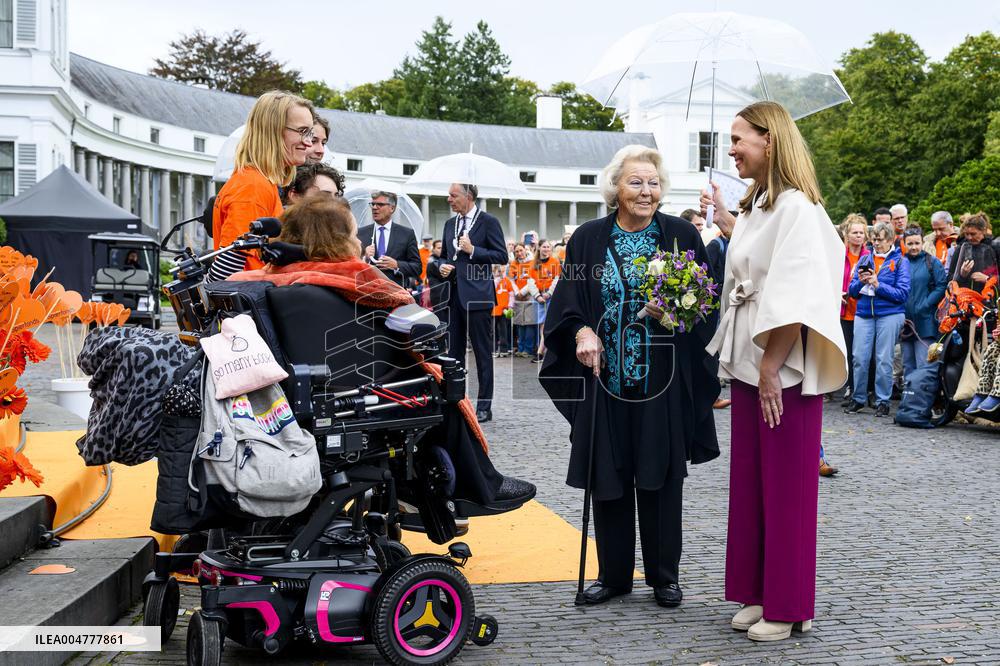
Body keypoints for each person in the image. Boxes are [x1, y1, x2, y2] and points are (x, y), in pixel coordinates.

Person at [228, 194, 535, 508]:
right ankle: (479, 484)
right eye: (352, 234)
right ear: (335, 239)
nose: (358, 242)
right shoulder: (352, 275)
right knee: (441, 389)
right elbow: (413, 315)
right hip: (357, 386)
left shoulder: (261, 279)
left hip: (294, 389)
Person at [540, 144, 720, 610]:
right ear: (615, 188)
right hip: (605, 379)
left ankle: (664, 576)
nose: (646, 191)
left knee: (661, 477)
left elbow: (706, 302)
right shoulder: (588, 239)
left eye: (653, 183)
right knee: (609, 473)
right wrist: (582, 331)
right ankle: (614, 575)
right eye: (636, 182)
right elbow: (568, 301)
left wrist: (677, 314)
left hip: (663, 381)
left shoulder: (681, 234)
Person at [700, 101, 847, 642]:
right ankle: (758, 591)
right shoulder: (762, 204)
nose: (731, 149)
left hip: (781, 366)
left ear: (770, 140)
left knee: (787, 489)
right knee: (753, 483)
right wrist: (725, 217)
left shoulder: (799, 208)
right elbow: (756, 260)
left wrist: (769, 366)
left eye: (739, 138)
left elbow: (796, 291)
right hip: (751, 359)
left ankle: (788, 605)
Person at [209, 91, 314, 281]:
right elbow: (227, 273)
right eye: (302, 131)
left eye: (310, 133)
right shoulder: (253, 186)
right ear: (273, 131)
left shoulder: (259, 182)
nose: (308, 142)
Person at [439, 183, 508, 423]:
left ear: (468, 196)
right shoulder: (450, 224)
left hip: (478, 297)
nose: (449, 199)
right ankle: (456, 402)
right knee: (454, 354)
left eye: (453, 195)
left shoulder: (488, 222)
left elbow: (501, 256)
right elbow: (443, 257)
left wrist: (473, 250)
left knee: (482, 354)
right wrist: (442, 266)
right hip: (453, 296)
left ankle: (484, 406)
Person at [845, 221, 910, 417]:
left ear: (890, 240)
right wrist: (861, 282)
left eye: (880, 240)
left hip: (890, 313)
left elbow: (902, 294)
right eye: (873, 239)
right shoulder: (865, 259)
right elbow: (852, 291)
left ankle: (883, 401)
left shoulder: (901, 261)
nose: (875, 243)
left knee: (883, 359)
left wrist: (878, 284)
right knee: (859, 357)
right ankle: (858, 398)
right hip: (864, 313)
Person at [901, 226, 947, 378]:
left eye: (917, 243)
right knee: (907, 363)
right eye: (910, 243)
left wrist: (926, 303)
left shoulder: (932, 262)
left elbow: (941, 286)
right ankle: (909, 392)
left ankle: (924, 393)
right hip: (905, 322)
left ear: (922, 242)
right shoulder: (900, 263)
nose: (914, 247)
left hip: (926, 321)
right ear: (904, 243)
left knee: (924, 363)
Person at [357, 191, 422, 288]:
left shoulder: (406, 234)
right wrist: (364, 257)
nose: (374, 207)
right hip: (367, 291)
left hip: (396, 292)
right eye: (373, 204)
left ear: (392, 208)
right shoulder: (361, 233)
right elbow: (351, 265)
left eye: (380, 204)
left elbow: (417, 267)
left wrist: (397, 265)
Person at [839, 214, 870, 407]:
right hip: (844, 311)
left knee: (864, 354)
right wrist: (836, 292)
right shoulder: (838, 254)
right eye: (855, 232)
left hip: (864, 310)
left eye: (861, 232)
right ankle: (851, 387)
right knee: (849, 352)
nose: (858, 236)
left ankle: (867, 390)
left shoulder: (869, 255)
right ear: (847, 234)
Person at [529, 239, 561, 363]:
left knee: (547, 324)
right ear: (539, 248)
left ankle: (540, 352)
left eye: (548, 247)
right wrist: (537, 295)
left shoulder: (554, 262)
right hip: (539, 296)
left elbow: (557, 279)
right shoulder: (533, 263)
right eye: (544, 247)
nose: (546, 249)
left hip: (550, 295)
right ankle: (543, 351)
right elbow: (530, 281)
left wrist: (549, 293)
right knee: (541, 324)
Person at [946, 212, 997, 288]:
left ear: (983, 231)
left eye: (973, 234)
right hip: (966, 294)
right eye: (966, 234)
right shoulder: (961, 248)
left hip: (989, 293)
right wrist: (962, 275)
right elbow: (950, 279)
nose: (969, 238)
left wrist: (987, 279)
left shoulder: (994, 247)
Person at [508, 243, 535, 358]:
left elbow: (533, 278)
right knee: (520, 323)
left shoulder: (533, 262)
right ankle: (520, 348)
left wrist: (523, 292)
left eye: (521, 250)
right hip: (518, 296)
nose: (519, 253)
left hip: (529, 294)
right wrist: (517, 292)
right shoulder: (513, 264)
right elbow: (511, 279)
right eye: (517, 251)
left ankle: (528, 349)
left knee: (529, 323)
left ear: (525, 250)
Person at [492, 265, 514, 357]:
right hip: (493, 310)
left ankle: (504, 349)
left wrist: (510, 306)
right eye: (499, 271)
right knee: (493, 331)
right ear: (494, 272)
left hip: (504, 310)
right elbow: (492, 287)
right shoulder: (492, 281)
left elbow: (511, 294)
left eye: (502, 271)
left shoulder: (507, 281)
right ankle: (493, 349)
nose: (501, 273)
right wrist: (497, 279)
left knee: (503, 331)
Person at [425, 240, 449, 320]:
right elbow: (445, 274)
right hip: (438, 297)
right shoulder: (433, 262)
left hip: (444, 297)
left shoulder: (442, 260)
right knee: (441, 321)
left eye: (443, 248)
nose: (441, 250)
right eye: (439, 248)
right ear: (433, 249)